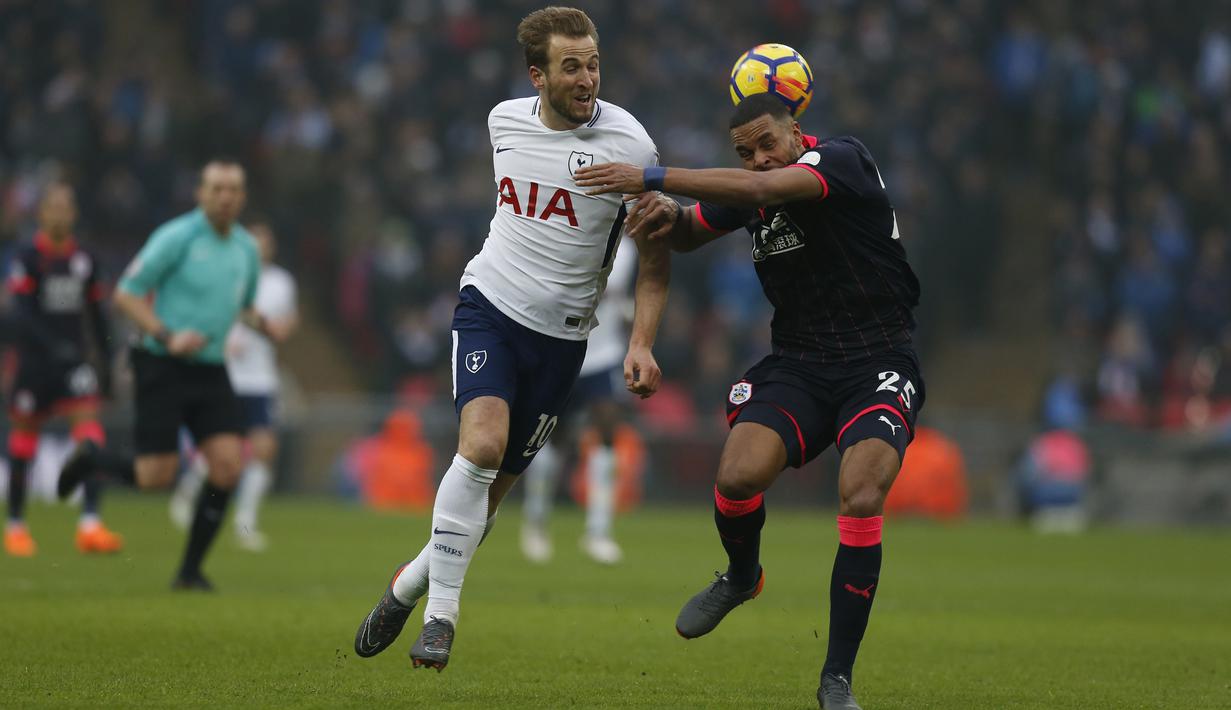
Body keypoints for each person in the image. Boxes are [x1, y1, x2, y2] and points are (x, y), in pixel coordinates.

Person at [576, 93, 924, 710]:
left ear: (798, 134)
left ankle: (836, 679)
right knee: (736, 477)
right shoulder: (752, 191)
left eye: (768, 144)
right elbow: (687, 233)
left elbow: (761, 192)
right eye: (745, 153)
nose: (759, 160)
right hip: (799, 362)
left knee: (863, 490)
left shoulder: (841, 161)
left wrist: (652, 175)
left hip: (877, 359)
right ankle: (741, 576)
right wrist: (658, 212)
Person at [352, 6, 669, 672]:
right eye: (571, 66)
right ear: (537, 75)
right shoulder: (502, 122)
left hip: (563, 343)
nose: (587, 78)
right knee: (481, 448)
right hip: (489, 308)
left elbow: (655, 255)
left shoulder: (631, 145)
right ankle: (441, 619)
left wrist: (640, 340)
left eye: (593, 63)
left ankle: (408, 583)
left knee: (488, 499)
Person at [57, 159, 273, 592]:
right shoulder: (176, 237)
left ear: (243, 197)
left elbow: (243, 307)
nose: (225, 196)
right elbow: (126, 294)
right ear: (200, 193)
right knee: (156, 476)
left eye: (233, 189)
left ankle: (190, 572)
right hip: (161, 361)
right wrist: (166, 334)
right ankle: (91, 461)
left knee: (229, 467)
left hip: (210, 367)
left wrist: (267, 325)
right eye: (217, 188)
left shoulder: (246, 249)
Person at [3, 183, 124, 557]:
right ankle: (16, 527)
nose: (59, 214)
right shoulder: (26, 256)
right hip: (35, 365)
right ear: (40, 214)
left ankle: (90, 525)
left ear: (73, 215)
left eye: (65, 208)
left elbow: (98, 314)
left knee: (91, 437)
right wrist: (51, 347)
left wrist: (106, 362)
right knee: (24, 443)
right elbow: (20, 314)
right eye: (52, 208)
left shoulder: (85, 258)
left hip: (74, 364)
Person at [168, 220, 298, 551]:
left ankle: (246, 521)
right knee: (219, 448)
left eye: (264, 243)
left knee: (264, 449)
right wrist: (219, 342)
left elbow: (287, 322)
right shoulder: (230, 274)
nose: (259, 249)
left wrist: (280, 329)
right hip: (227, 375)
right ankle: (185, 498)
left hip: (261, 377)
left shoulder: (282, 283)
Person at [520, 241, 636, 565]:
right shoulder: (568, 234)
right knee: (553, 439)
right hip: (565, 352)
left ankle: (598, 531)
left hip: (604, 354)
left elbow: (612, 293)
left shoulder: (625, 249)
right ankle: (537, 523)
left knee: (609, 432)